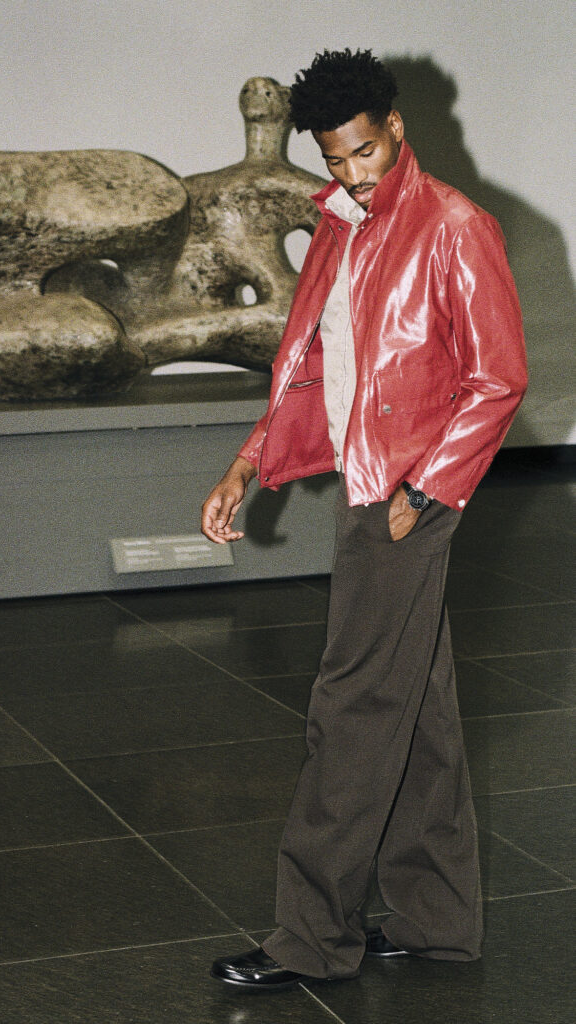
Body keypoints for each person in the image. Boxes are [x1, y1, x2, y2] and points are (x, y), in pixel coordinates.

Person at [201, 48, 527, 992]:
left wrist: (424, 493)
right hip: (361, 483)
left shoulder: (455, 227)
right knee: (413, 707)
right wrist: (246, 462)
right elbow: (304, 361)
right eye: (333, 160)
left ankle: (309, 938)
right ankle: (435, 919)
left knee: (350, 709)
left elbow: (497, 378)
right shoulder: (340, 224)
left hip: (403, 499)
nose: (349, 174)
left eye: (363, 155)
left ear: (394, 130)